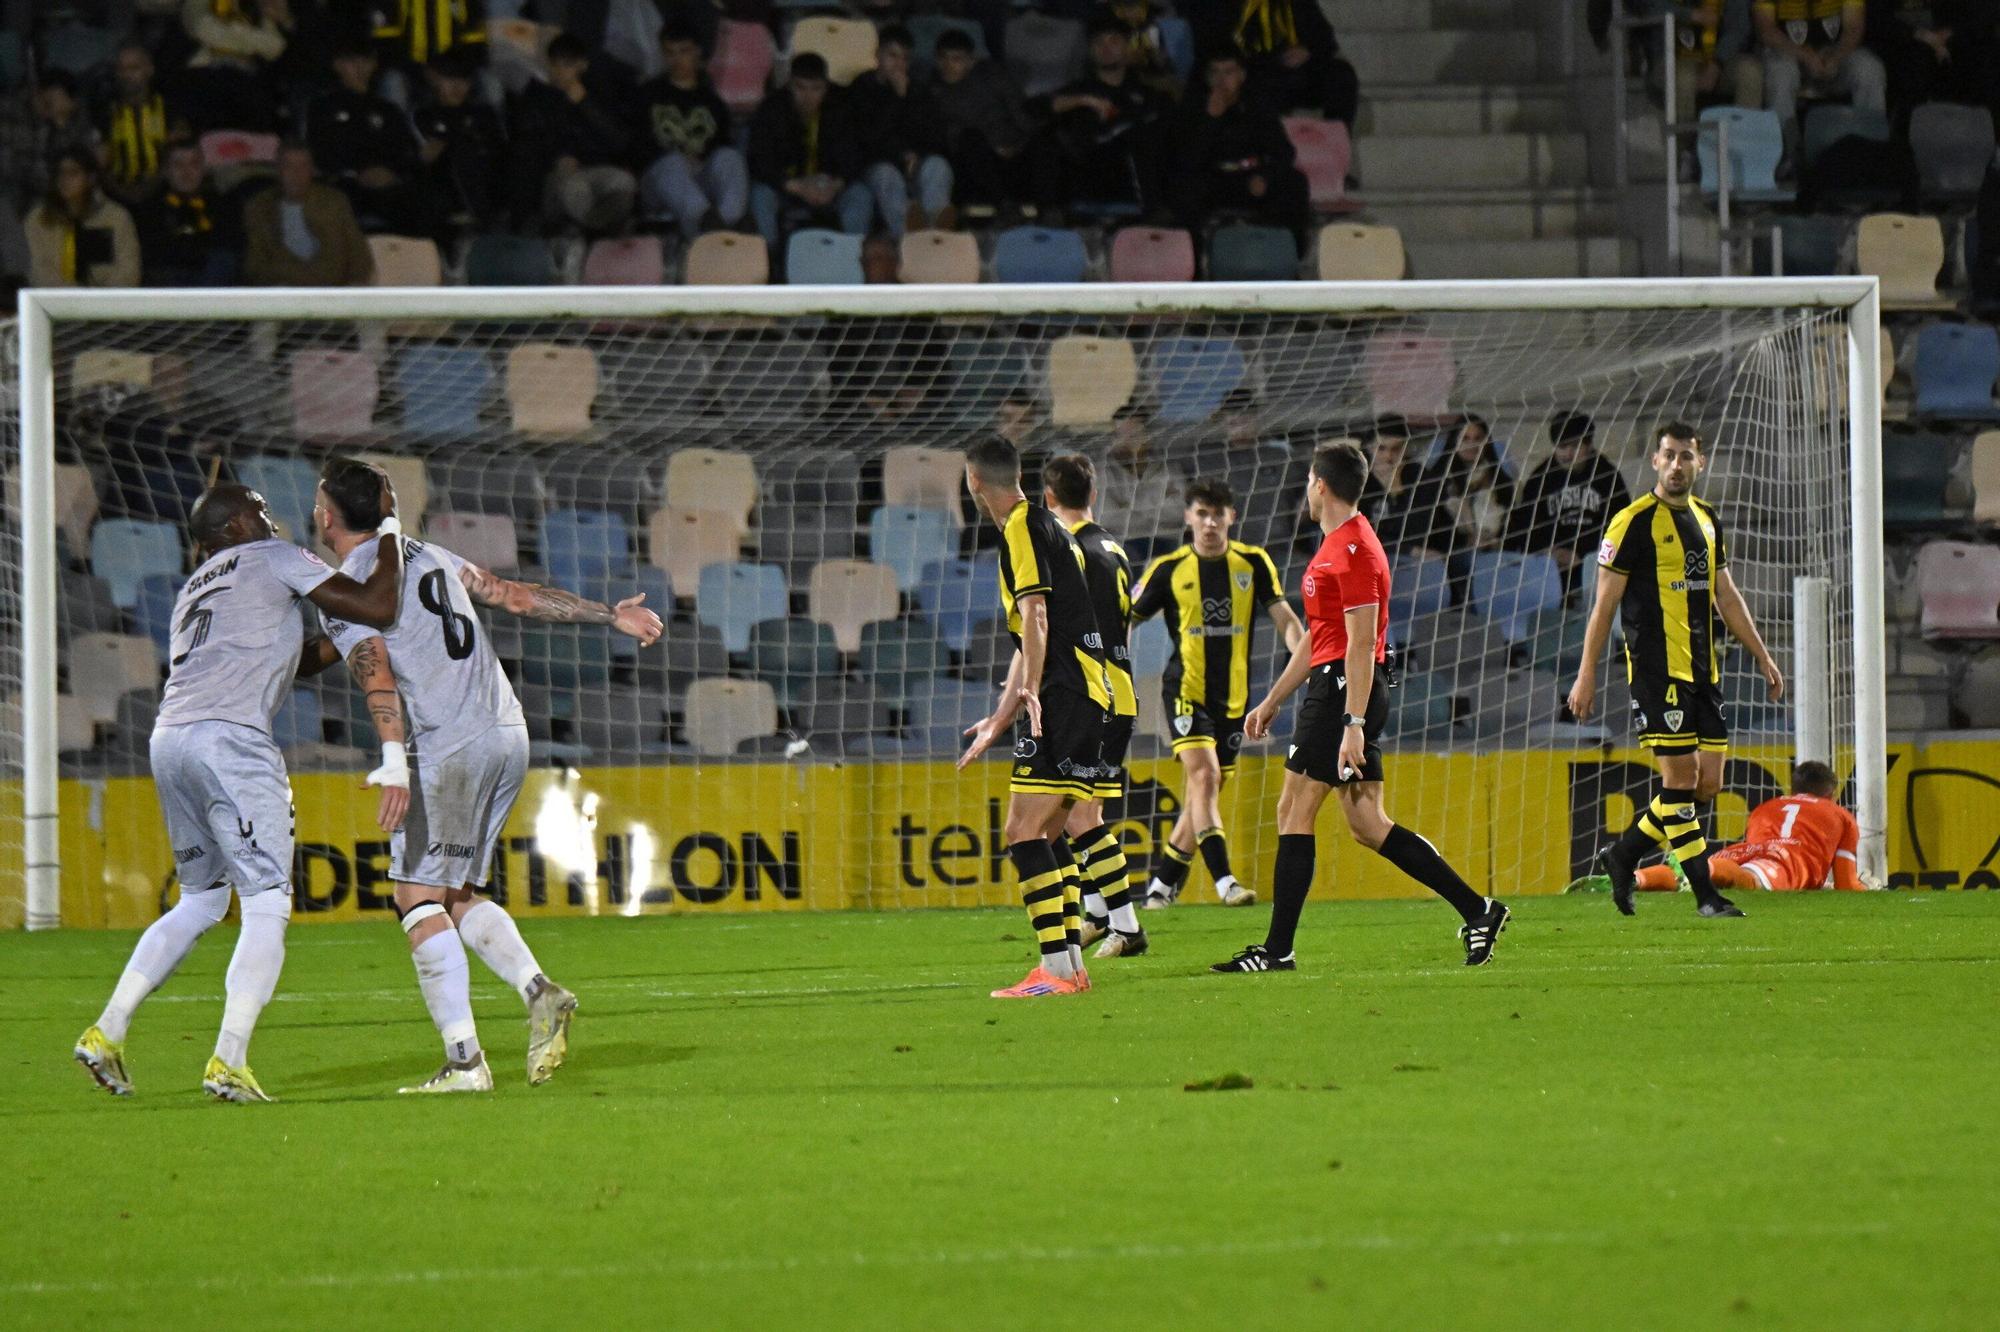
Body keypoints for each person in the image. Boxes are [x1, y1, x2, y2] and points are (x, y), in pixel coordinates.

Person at [306, 457, 662, 1092]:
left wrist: (394, 761)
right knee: (455, 891)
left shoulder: (348, 587)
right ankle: (540, 991)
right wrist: (610, 615)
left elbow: (375, 674)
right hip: (506, 731)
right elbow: (515, 596)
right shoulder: (430, 555)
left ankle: (465, 1062)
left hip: (450, 744)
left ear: (326, 517)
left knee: (414, 897)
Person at [73, 481, 407, 1102]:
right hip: (232, 741)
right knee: (267, 902)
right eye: (258, 510)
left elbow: (284, 660)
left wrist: (338, 645)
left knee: (202, 900)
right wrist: (389, 534)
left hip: (171, 740)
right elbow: (377, 604)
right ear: (230, 527)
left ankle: (107, 1030)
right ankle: (229, 1060)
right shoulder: (273, 557)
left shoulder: (193, 589)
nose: (271, 519)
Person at [1213, 439, 1510, 973]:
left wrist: (1351, 721)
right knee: (1368, 824)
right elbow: (1320, 635)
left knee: (1293, 810)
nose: (1306, 490)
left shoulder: (1354, 550)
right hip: (1340, 687)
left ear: (1320, 484)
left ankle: (1277, 951)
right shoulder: (1338, 544)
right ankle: (1479, 911)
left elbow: (1361, 642)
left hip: (1342, 693)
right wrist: (1274, 698)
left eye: (1309, 481)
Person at [1566, 421, 1785, 918]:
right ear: (1655, 461)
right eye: (1669, 455)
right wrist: (1586, 673)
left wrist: (1763, 655)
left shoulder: (1707, 519)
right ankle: (1705, 895)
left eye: (1686, 456)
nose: (1677, 465)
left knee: (1708, 784)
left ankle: (1623, 856)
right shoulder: (1631, 522)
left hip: (1704, 671)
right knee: (1681, 782)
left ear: (1700, 463)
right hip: (1656, 671)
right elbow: (1603, 606)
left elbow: (1727, 595)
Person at [958, 436, 1115, 998]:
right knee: (1048, 833)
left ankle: (1054, 969)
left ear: (974, 480)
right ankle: (1070, 967)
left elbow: (1037, 616)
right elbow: (1034, 632)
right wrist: (1001, 717)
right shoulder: (1051, 527)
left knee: (1021, 831)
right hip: (1086, 692)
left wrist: (1030, 691)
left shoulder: (1022, 528)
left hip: (1062, 694)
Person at [1131, 477, 1304, 910]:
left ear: (1232, 517)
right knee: (1205, 778)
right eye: (1202, 514)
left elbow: (1285, 618)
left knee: (1202, 793)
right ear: (1188, 518)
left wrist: (1303, 653)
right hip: (1184, 691)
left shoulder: (1253, 562)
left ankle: (1160, 887)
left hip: (1233, 699)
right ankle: (1225, 882)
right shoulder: (1168, 569)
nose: (1210, 523)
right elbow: (1126, 619)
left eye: (1217, 515)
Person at [1042, 453, 1149, 959]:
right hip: (1120, 689)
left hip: (1093, 693)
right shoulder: (1114, 547)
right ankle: (1098, 914)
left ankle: (1126, 928)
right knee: (1080, 813)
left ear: (1048, 497)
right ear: (1093, 493)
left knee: (1077, 816)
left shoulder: (1070, 551)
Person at [1621, 760, 1862, 893]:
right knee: (1748, 881)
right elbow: (1847, 884)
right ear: (1830, 794)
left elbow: (1757, 846)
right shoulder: (1841, 816)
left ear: (1793, 789)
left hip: (1743, 853)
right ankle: (1700, 865)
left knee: (1689, 878)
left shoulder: (1766, 807)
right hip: (1785, 862)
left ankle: (1633, 878)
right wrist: (1868, 888)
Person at [1168, 47, 1309, 239]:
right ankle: (1191, 251)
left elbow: (1284, 152)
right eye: (1215, 73)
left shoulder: (1257, 106)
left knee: (1294, 182)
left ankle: (1285, 247)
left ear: (1241, 75)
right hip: (1213, 179)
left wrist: (1265, 177)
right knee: (1182, 188)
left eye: (1228, 72)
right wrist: (1211, 119)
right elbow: (1187, 159)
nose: (1221, 80)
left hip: (1250, 178)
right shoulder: (1194, 107)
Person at [1036, 14, 1168, 217]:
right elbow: (1034, 108)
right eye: (1098, 42)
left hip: (1131, 185)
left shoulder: (1147, 94)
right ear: (1090, 50)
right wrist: (1083, 101)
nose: (1106, 48)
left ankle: (1153, 212)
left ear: (1127, 46)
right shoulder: (1079, 90)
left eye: (1114, 41)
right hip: (1086, 177)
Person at [307, 37, 438, 237]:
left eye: (365, 61)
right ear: (337, 65)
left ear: (374, 64)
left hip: (388, 185)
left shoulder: (387, 110)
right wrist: (357, 172)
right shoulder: (323, 107)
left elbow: (405, 151)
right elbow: (321, 152)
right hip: (346, 184)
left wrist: (391, 173)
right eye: (352, 62)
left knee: (424, 200)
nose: (359, 68)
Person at [510, 33, 637, 234]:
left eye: (567, 65)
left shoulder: (597, 92)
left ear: (582, 65)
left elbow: (619, 140)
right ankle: (595, 232)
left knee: (623, 183)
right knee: (577, 189)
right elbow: (527, 147)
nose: (561, 72)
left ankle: (594, 230)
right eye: (555, 65)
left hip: (595, 169)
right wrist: (559, 157)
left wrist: (585, 104)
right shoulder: (537, 97)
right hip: (555, 178)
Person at [636, 20, 748, 238]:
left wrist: (700, 160)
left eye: (684, 51)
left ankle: (726, 224)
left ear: (697, 52)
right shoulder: (647, 95)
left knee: (731, 158)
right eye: (670, 53)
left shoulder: (712, 102)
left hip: (701, 175)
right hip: (661, 181)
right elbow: (637, 146)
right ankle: (707, 224)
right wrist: (676, 157)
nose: (677, 60)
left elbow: (722, 144)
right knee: (672, 164)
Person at [1503, 410, 1631, 596]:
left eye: (1575, 446)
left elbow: (1621, 525)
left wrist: (1582, 553)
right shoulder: (1541, 478)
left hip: (1594, 563)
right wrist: (1551, 551)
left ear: (1589, 445)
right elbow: (1526, 525)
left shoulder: (1607, 476)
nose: (1568, 454)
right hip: (1550, 566)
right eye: (1562, 447)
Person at [748, 53, 870, 247]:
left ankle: (852, 254)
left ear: (826, 88)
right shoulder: (772, 109)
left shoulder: (840, 108)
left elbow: (855, 157)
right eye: (800, 87)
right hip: (787, 187)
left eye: (816, 89)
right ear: (790, 85)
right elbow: (759, 160)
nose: (808, 97)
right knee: (761, 195)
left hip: (828, 187)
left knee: (860, 195)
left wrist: (835, 185)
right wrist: (796, 186)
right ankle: (768, 256)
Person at [849, 27, 954, 237]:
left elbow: (932, 134)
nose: (899, 64)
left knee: (938, 166)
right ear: (878, 55)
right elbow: (868, 138)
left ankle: (935, 235)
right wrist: (898, 98)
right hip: (876, 163)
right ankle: (907, 236)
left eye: (905, 58)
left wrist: (917, 154)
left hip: (914, 163)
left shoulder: (917, 90)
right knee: (886, 175)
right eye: (893, 56)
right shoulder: (861, 88)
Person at [1187, 0, 1358, 126]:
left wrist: (1308, 51)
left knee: (1341, 74)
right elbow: (1214, 48)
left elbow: (1325, 39)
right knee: (1253, 86)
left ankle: (1335, 142)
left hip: (1296, 73)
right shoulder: (1225, 6)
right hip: (1253, 73)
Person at [1753, 0, 1887, 159]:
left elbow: (1853, 27)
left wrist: (1836, 57)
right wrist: (1805, 56)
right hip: (1786, 52)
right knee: (1780, 73)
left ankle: (1872, 150)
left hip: (1834, 52)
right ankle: (1787, 156)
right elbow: (1766, 30)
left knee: (1869, 68)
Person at [930, 28, 1038, 212]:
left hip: (1012, 151)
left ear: (970, 61)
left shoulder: (993, 76)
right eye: (943, 58)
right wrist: (993, 144)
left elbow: (1022, 114)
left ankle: (1053, 212)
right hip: (972, 162)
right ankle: (1005, 206)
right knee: (970, 139)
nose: (948, 65)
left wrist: (1016, 145)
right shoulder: (933, 91)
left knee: (1044, 139)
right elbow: (949, 136)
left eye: (956, 59)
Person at [242, 141, 375, 286]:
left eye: (303, 166)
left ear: (312, 170)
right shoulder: (260, 207)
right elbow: (255, 265)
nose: (296, 174)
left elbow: (358, 256)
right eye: (289, 166)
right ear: (278, 169)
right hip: (284, 291)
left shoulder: (333, 202)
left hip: (332, 290)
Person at [1193, 388, 1302, 552]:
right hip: (1231, 548)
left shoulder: (1279, 455)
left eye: (1245, 422)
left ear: (1257, 419)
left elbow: (1307, 492)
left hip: (1279, 544)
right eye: (1233, 424)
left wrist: (1297, 523)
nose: (1240, 430)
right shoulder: (1212, 462)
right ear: (1224, 426)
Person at [412, 47, 508, 227]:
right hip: (445, 193)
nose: (457, 86)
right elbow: (425, 157)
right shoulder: (425, 115)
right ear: (435, 80)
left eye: (463, 80)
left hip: (489, 183)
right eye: (449, 79)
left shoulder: (483, 113)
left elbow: (499, 149)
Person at [26, 148, 141, 289]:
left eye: (73, 173)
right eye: (61, 173)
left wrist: (99, 297)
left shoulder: (116, 218)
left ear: (91, 178)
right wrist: (72, 294)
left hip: (108, 299)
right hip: (54, 298)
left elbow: (128, 269)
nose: (65, 180)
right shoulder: (39, 219)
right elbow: (39, 270)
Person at [135, 139, 240, 286]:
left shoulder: (222, 206)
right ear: (166, 171)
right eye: (178, 165)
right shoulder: (150, 210)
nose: (187, 172)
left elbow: (228, 251)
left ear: (203, 169)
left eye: (194, 164)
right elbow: (153, 258)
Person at [180, 0, 295, 132]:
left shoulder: (254, 6)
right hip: (208, 75)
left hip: (248, 80)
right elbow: (205, 30)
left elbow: (275, 46)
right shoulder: (198, 3)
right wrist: (251, 39)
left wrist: (232, 34)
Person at [99, 43, 190, 206]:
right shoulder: (105, 113)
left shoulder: (169, 109)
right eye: (121, 69)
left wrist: (149, 188)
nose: (126, 75)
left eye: (134, 68)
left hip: (165, 196)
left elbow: (181, 156)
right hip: (118, 198)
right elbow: (99, 164)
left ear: (149, 69)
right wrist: (124, 193)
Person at [1092, 404, 1188, 543]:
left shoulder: (1170, 470)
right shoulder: (1102, 474)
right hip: (1123, 543)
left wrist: (1129, 505)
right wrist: (1156, 505)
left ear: (1148, 436)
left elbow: (1180, 512)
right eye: (1119, 435)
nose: (1125, 441)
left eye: (1133, 435)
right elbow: (1107, 518)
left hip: (1167, 540)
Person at [1671, 0, 1764, 112]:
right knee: (1684, 79)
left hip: (1722, 59)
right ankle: (1684, 123)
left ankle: (1746, 123)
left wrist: (1716, 64)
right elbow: (1654, 7)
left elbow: (1737, 29)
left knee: (1750, 72)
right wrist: (1693, 15)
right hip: (1676, 58)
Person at [1358, 416, 1424, 555]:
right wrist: (1408, 550)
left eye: (1396, 449)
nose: (1388, 456)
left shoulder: (1417, 474)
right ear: (1369, 448)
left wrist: (1396, 487)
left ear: (1405, 449)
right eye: (1381, 449)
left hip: (1415, 552)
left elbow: (1421, 527)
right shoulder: (1357, 481)